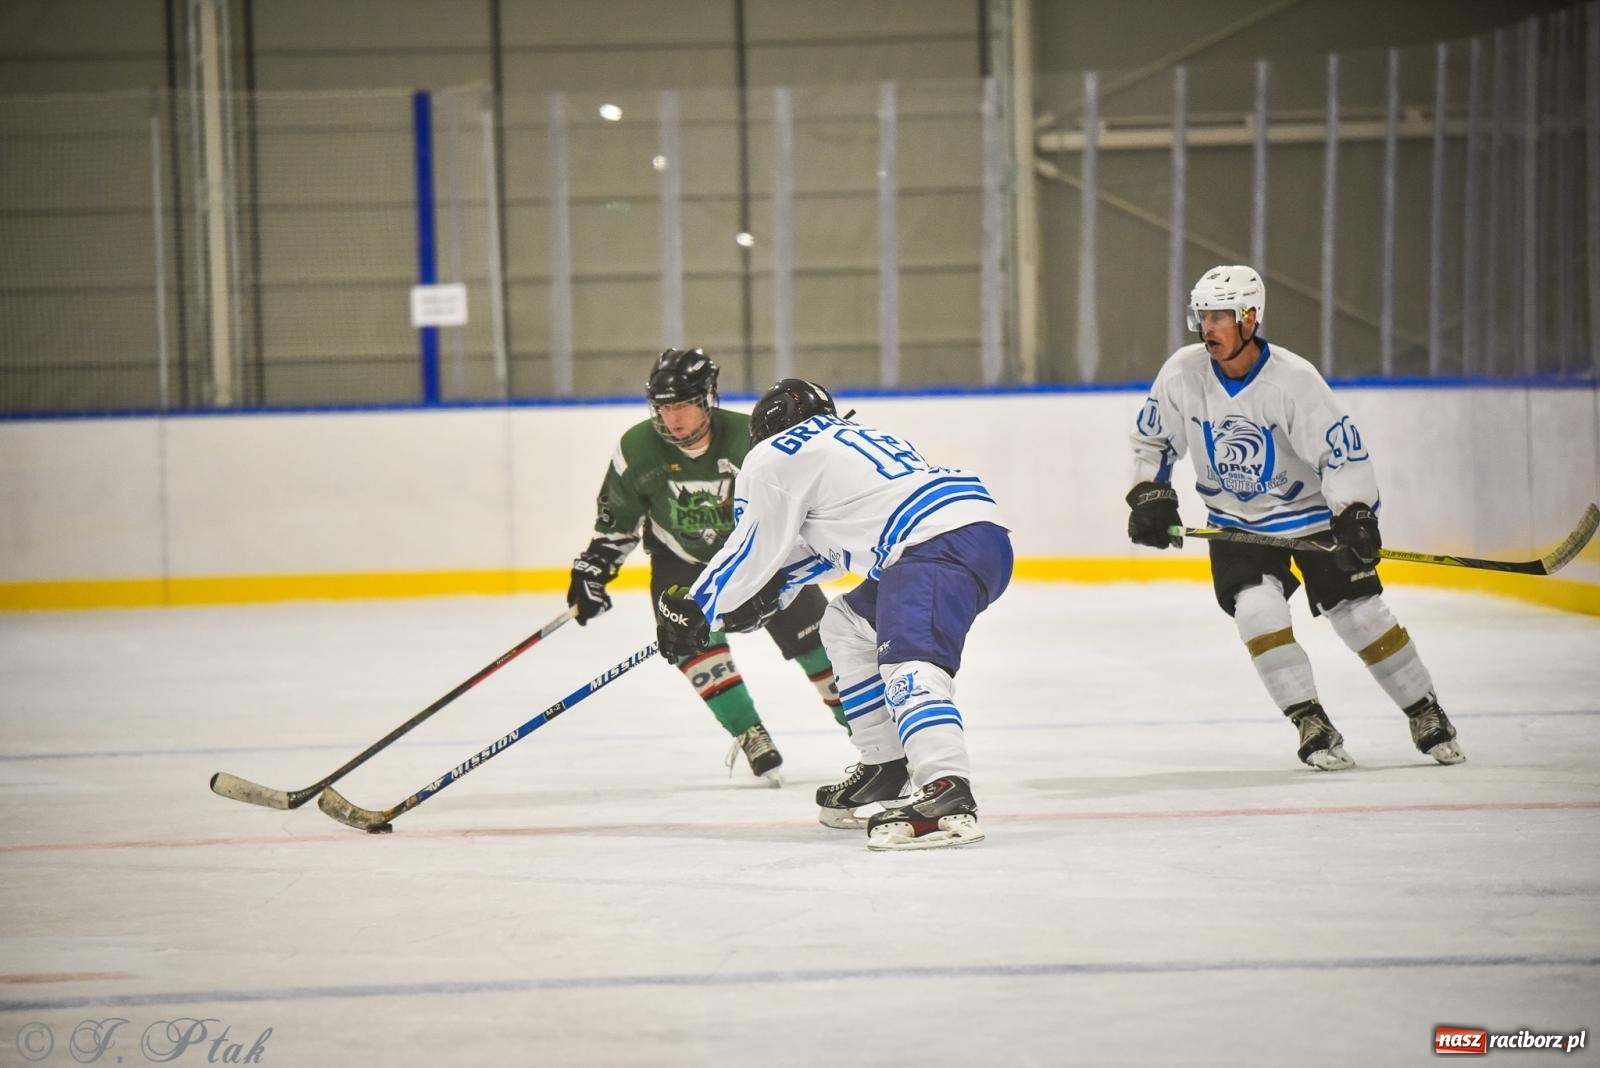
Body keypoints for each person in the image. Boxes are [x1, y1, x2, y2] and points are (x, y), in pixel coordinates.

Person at [1125, 264, 1464, 770]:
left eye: (1221, 316)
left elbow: (1341, 457)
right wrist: (1149, 492)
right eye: (1203, 316)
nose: (1208, 328)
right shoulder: (1181, 373)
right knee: (1257, 610)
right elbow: (1151, 440)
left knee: (1360, 614)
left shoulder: (1294, 381)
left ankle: (1425, 710)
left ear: (1250, 317)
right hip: (1235, 525)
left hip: (1311, 519)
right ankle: (1310, 720)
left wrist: (1355, 516)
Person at [653, 380, 1013, 851]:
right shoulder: (847, 443)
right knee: (845, 625)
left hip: (933, 546)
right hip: (969, 537)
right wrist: (772, 591)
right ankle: (886, 765)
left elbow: (751, 544)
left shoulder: (775, 453)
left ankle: (947, 789)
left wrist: (699, 608)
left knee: (910, 662)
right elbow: (838, 544)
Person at [566, 348, 846, 785]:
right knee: (692, 645)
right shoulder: (636, 448)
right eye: (664, 406)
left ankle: (874, 739)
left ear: (706, 400)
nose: (673, 418)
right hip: (682, 563)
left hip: (759, 558)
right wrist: (596, 568)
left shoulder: (751, 438)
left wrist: (778, 566)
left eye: (683, 405)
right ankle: (749, 732)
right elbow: (617, 519)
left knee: (822, 648)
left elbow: (796, 506)